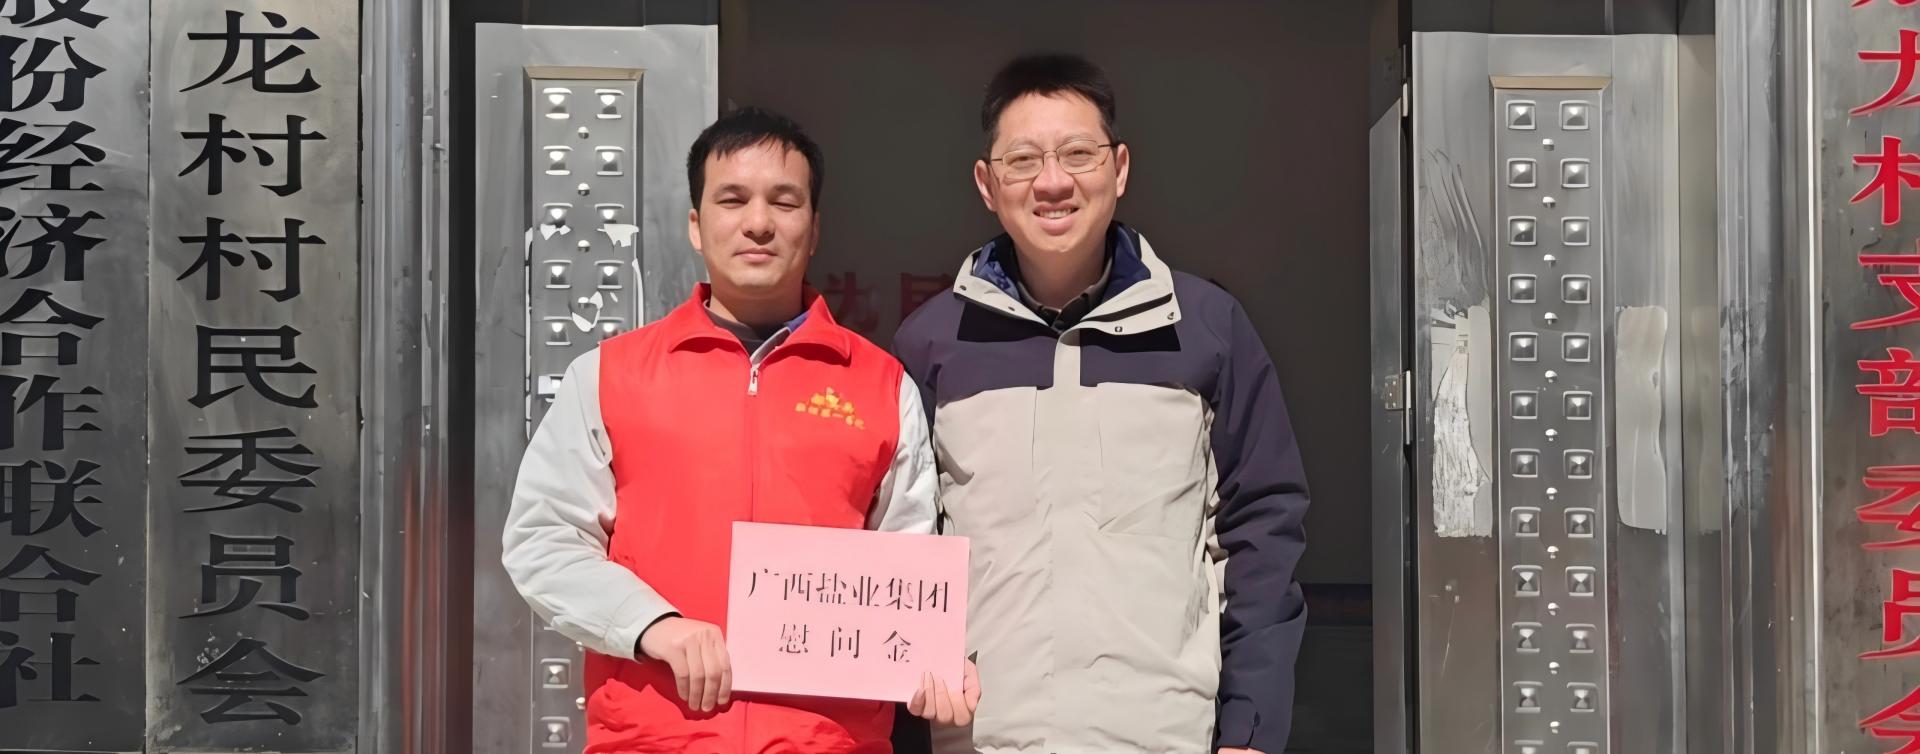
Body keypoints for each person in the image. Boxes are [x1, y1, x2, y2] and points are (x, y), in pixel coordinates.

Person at [504, 106, 977, 754]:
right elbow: (543, 538)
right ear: (695, 225)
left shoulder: (880, 386)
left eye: (784, 201)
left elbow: (908, 569)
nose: (758, 222)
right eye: (732, 200)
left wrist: (933, 660)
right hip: (653, 741)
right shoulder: (611, 375)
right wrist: (652, 625)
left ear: (815, 228)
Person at [892, 55, 1309, 754]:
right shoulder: (932, 343)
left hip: (1164, 736)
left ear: (1119, 169)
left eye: (1078, 154)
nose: (1053, 181)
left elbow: (1262, 529)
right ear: (987, 184)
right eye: (1023, 160)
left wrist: (1250, 727)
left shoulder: (1206, 328)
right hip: (984, 737)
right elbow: (901, 537)